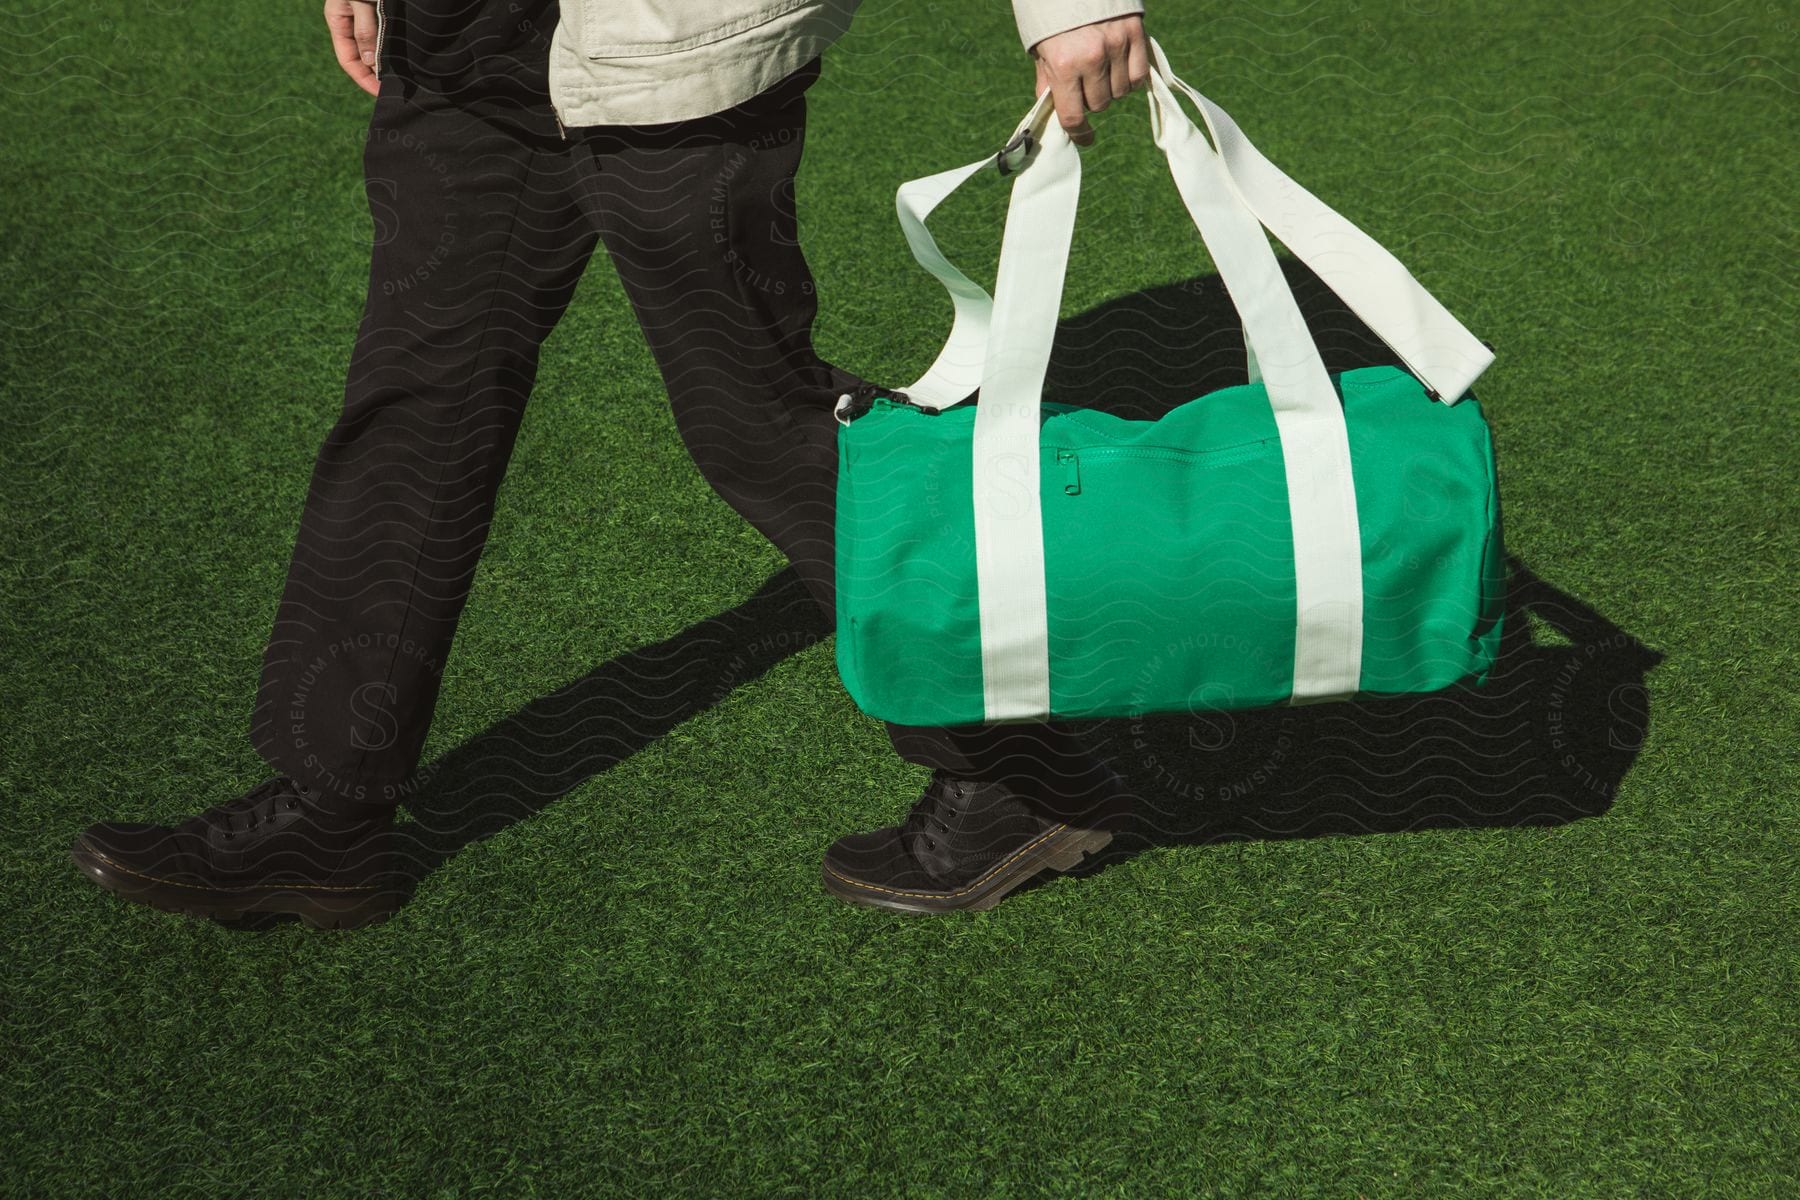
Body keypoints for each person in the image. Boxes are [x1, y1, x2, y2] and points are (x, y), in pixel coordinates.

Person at [68, 0, 1152, 925]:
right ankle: (327, 809)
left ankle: (1020, 765)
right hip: (464, 34)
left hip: (670, 41)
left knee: (758, 419)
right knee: (415, 392)